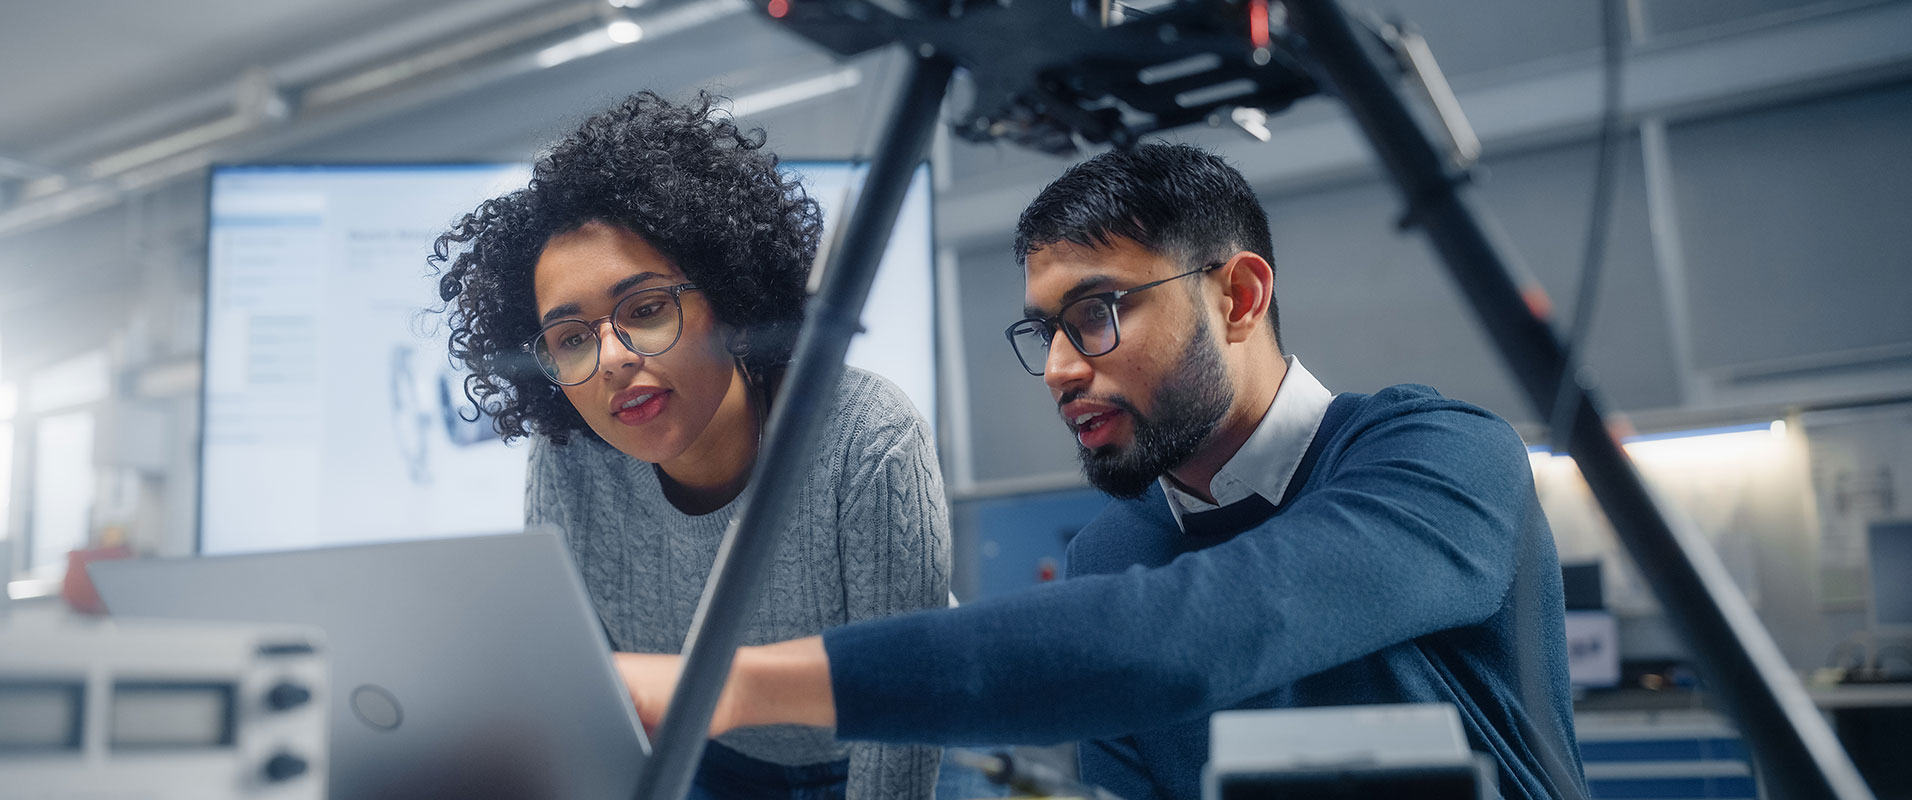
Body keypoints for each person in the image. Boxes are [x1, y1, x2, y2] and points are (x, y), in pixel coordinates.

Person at [615, 143, 1586, 800]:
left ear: (1239, 296)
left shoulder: (1441, 457)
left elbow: (1193, 633)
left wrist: (734, 685)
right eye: (1044, 331)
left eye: (1096, 314)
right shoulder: (1111, 551)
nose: (1060, 369)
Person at [430, 91, 948, 800]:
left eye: (645, 310)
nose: (612, 359)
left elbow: (906, 712)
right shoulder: (571, 460)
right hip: (709, 761)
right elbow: (586, 704)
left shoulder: (866, 437)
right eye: (572, 339)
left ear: (731, 303)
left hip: (892, 752)